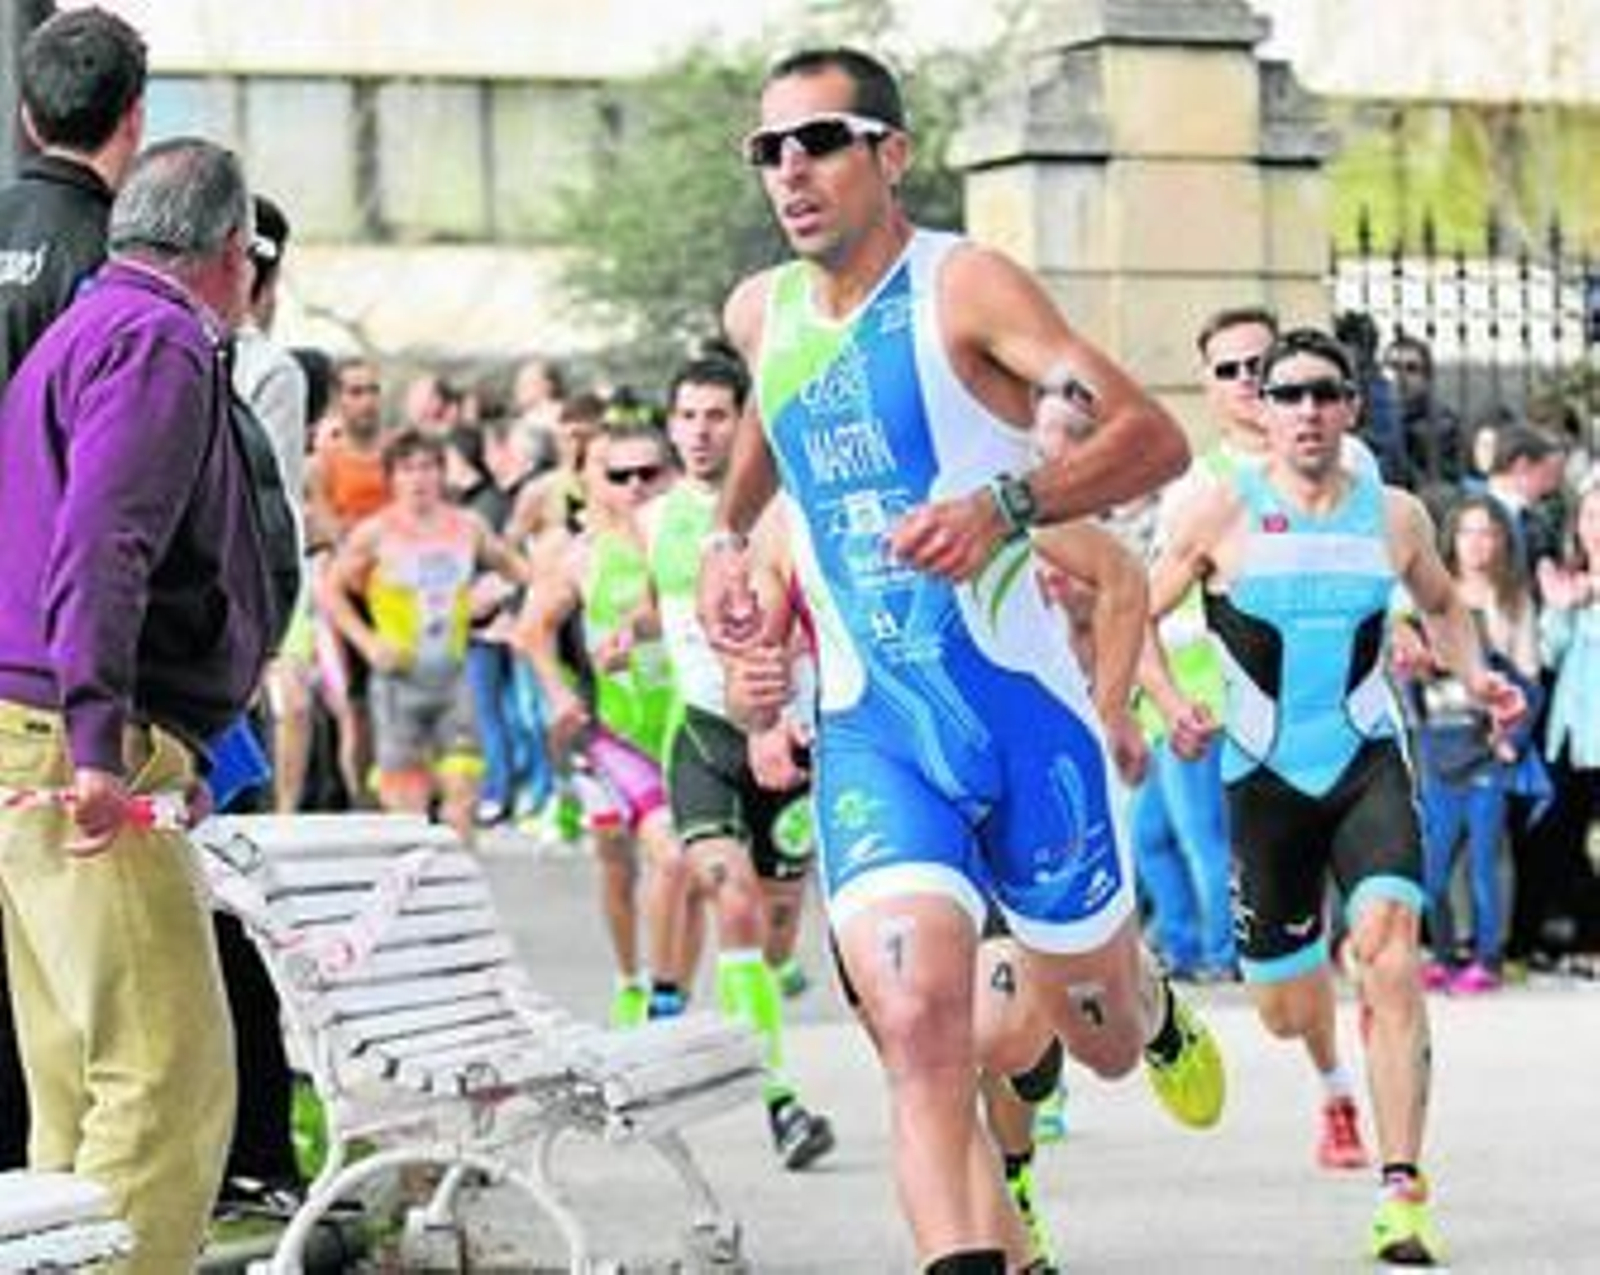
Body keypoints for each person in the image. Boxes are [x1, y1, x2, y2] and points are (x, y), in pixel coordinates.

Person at [698, 47, 1221, 1274]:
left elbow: (1154, 436)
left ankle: (1142, 1005)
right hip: (877, 737)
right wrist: (727, 538)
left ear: (891, 154)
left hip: (1024, 722)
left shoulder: (965, 289)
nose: (790, 170)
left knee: (1091, 1036)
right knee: (921, 1029)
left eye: (820, 140)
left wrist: (1005, 505)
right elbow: (776, 423)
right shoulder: (757, 312)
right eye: (768, 149)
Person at [1148, 326, 1525, 1266]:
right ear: (1263, 413)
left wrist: (1474, 676)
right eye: (1289, 395)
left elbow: (1442, 601)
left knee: (1391, 955)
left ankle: (1402, 1193)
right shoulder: (1215, 511)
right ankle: (1320, 1050)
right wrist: (1164, 702)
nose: (1307, 411)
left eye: (1326, 393)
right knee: (1282, 1006)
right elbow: (1131, 612)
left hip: (1365, 758)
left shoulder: (1393, 516)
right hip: (1261, 780)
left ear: (1353, 407)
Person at [0, 136, 271, 1274]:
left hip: (35, 732)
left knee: (79, 1086)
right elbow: (104, 541)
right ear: (224, 253)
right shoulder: (157, 340)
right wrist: (107, 737)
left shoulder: (81, 329)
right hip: (77, 741)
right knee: (165, 1080)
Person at [1137, 304, 1372, 1172]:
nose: (1246, 383)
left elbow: (1393, 565)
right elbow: (1141, 612)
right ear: (1207, 386)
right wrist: (1162, 699)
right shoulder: (1197, 493)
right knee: (1267, 962)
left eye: (1257, 365)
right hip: (1219, 733)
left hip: (1342, 736)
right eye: (1228, 370)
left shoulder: (1352, 466)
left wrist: (1413, 630)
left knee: (1379, 929)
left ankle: (1348, 1097)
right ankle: (1295, 1033)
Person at [0, 1, 148, 1174]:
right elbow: (111, 511)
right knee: (104, 1026)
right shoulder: (119, 272)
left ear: (22, 110)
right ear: (132, 122)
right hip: (58, 667)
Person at [641, 355, 836, 1170]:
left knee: (776, 937)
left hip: (788, 743)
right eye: (686, 415)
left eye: (718, 415)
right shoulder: (653, 519)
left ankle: (679, 1022)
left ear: (746, 426)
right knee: (737, 901)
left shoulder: (788, 515)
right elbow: (655, 617)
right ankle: (780, 1102)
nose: (699, 431)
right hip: (705, 741)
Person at [516, 423, 701, 1025]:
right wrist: (556, 694)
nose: (637, 487)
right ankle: (633, 979)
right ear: (595, 483)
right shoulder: (581, 556)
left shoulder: (692, 540)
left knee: (684, 868)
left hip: (684, 723)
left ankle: (670, 996)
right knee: (625, 859)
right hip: (611, 733)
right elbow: (532, 631)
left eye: (650, 474)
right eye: (620, 476)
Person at [321, 427, 526, 844]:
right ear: (392, 478)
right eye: (408, 469)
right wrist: (366, 642)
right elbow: (329, 590)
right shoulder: (377, 532)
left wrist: (500, 599)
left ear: (442, 473)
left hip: (454, 678)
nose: (419, 478)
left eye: (428, 467)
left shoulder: (468, 526)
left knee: (462, 798)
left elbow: (521, 571)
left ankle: (459, 899)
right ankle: (416, 901)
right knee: (408, 810)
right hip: (400, 681)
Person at [1401, 495, 1539, 995]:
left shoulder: (1511, 602)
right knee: (1432, 868)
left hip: (1487, 756)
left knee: (1484, 863)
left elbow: (1530, 685)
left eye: (1488, 532)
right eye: (1467, 531)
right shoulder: (1430, 598)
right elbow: (1408, 680)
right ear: (1451, 539)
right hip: (1439, 752)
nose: (1477, 543)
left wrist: (1512, 741)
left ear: (1501, 540)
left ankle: (1488, 958)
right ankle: (1439, 954)